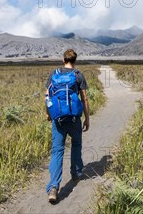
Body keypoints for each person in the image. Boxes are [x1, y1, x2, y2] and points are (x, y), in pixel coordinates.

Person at [44, 49, 90, 203]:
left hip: (58, 120)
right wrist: (87, 118)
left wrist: (48, 114)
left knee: (57, 151)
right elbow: (84, 99)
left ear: (63, 59)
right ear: (75, 60)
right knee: (76, 144)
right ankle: (76, 173)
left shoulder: (54, 74)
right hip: (74, 119)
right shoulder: (78, 75)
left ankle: (53, 187)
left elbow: (47, 97)